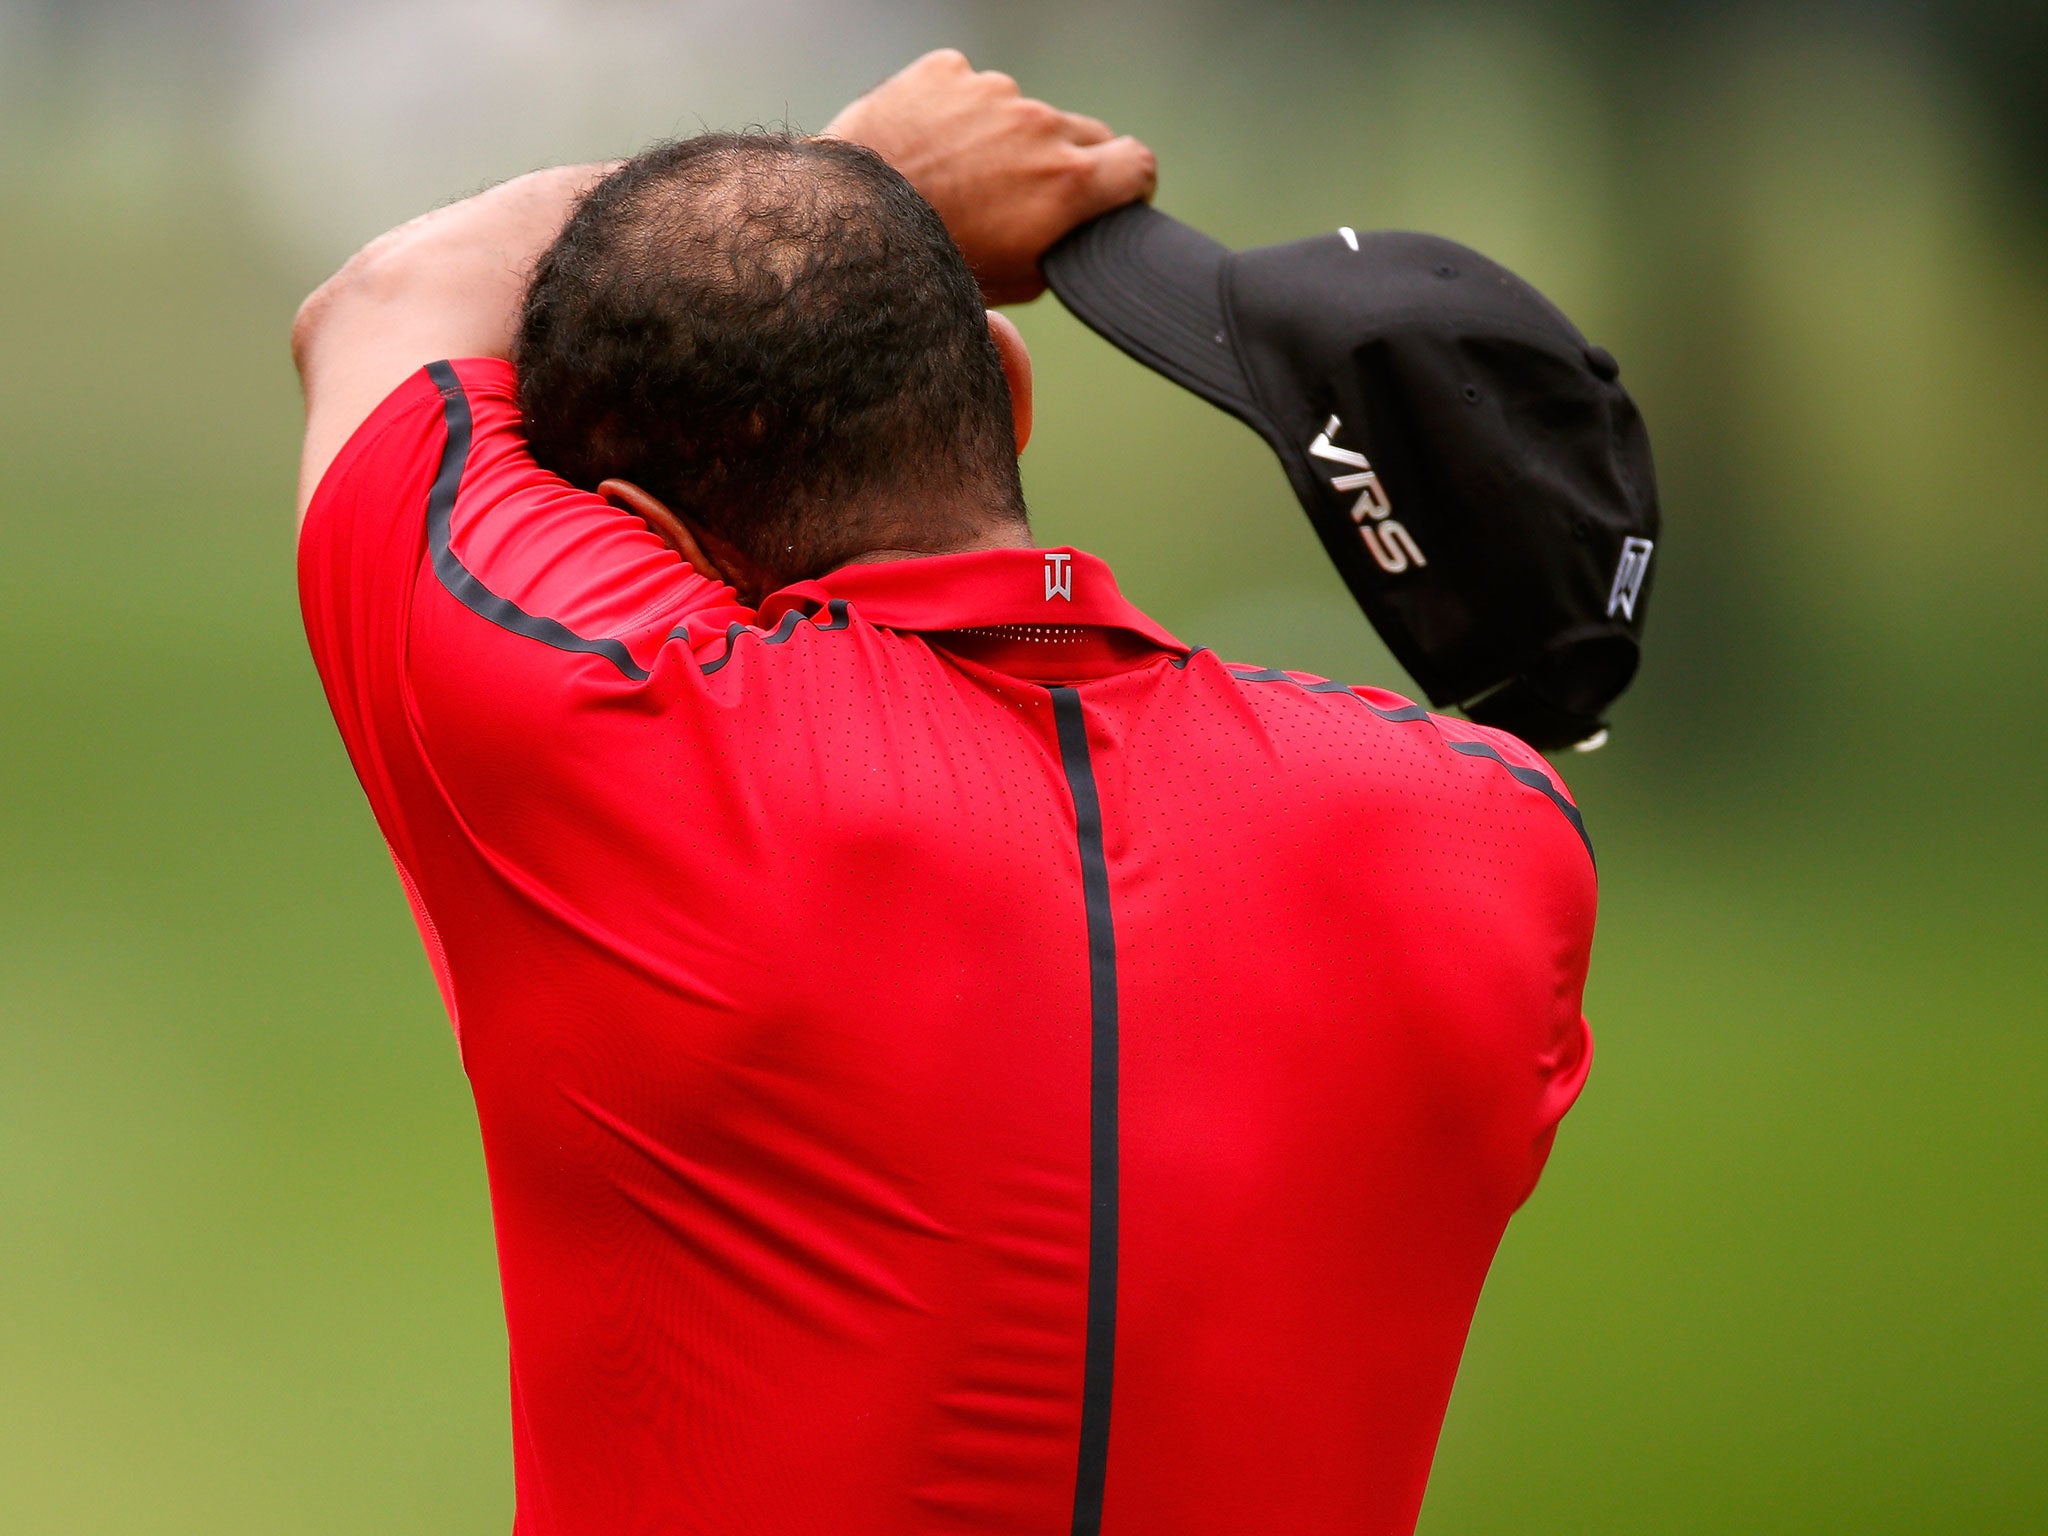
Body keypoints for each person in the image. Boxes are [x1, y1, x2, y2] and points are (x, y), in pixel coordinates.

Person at [294, 48, 1594, 1536]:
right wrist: (858, 233)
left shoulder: (607, 733)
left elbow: (390, 301)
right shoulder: (1492, 842)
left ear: (648, 535)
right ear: (1011, 398)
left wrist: (869, 182)